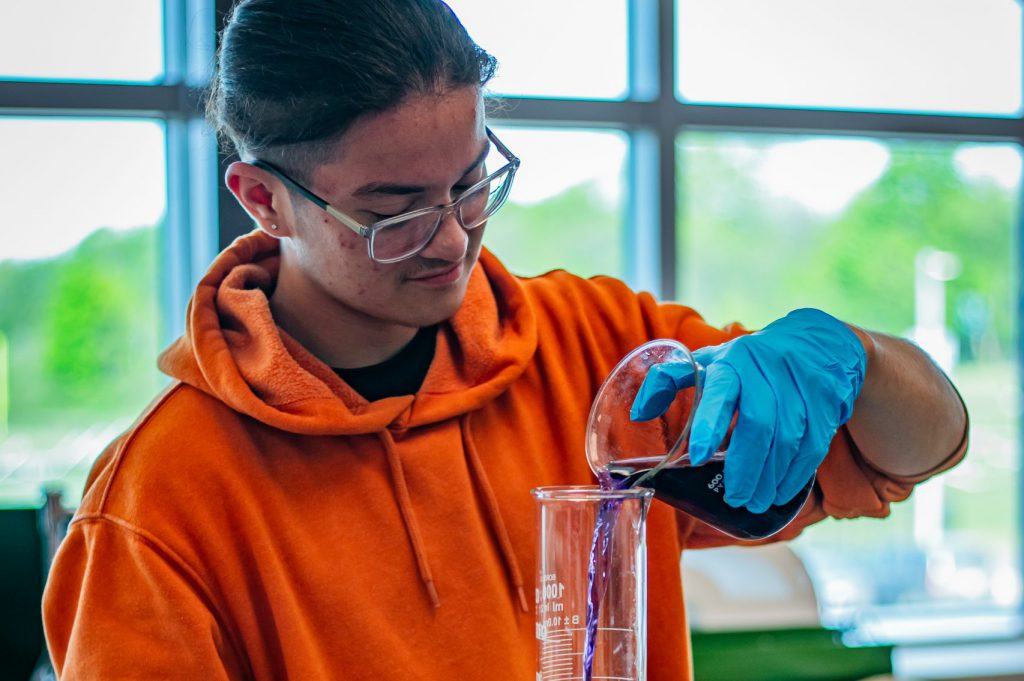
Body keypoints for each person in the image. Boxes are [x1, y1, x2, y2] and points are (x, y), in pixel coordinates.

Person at [42, 1, 968, 679]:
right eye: (392, 211)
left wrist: (856, 356)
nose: (452, 238)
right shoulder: (159, 506)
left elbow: (909, 451)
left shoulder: (596, 348)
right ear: (263, 197)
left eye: (473, 181)